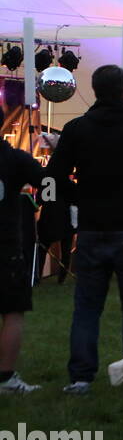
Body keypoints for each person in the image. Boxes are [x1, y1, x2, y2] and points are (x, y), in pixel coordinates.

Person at [46, 64, 123, 395]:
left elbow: (54, 175)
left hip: (91, 227)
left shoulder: (76, 129)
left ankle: (81, 377)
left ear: (95, 89)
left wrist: (79, 198)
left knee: (87, 306)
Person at [0, 137, 51, 393]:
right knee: (12, 311)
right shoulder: (14, 158)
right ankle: (5, 378)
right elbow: (48, 184)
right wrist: (45, 199)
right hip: (5, 245)